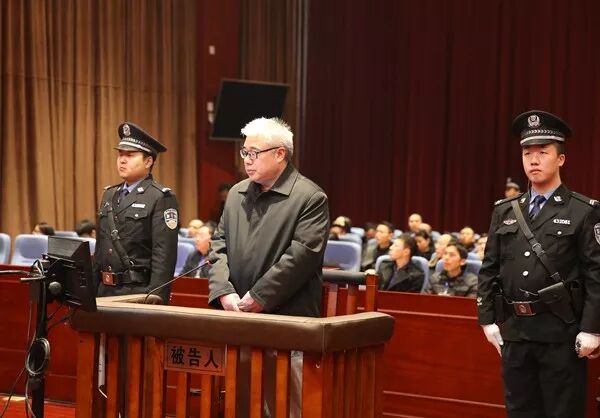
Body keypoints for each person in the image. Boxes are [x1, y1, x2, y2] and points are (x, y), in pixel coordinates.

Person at [478, 110, 600, 418]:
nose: (533, 160)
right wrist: (487, 319)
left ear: (561, 159)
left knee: (562, 412)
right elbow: (489, 268)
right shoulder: (505, 211)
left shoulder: (583, 211)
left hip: (561, 334)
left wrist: (592, 329)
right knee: (520, 410)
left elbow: (596, 275)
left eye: (543, 152)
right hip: (515, 332)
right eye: (527, 153)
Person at [207, 117, 329, 417]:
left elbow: (301, 256)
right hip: (239, 318)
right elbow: (219, 245)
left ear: (280, 154)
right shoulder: (236, 194)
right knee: (242, 404)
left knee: (286, 406)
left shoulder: (310, 197)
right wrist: (224, 291)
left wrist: (259, 297)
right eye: (244, 152)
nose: (247, 160)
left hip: (287, 323)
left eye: (254, 153)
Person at [94, 122, 179, 304]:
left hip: (137, 294)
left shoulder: (160, 197)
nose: (122, 160)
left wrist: (155, 300)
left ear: (148, 162)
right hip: (104, 291)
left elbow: (164, 258)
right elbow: (101, 249)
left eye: (130, 155)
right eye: (120, 154)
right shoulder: (109, 194)